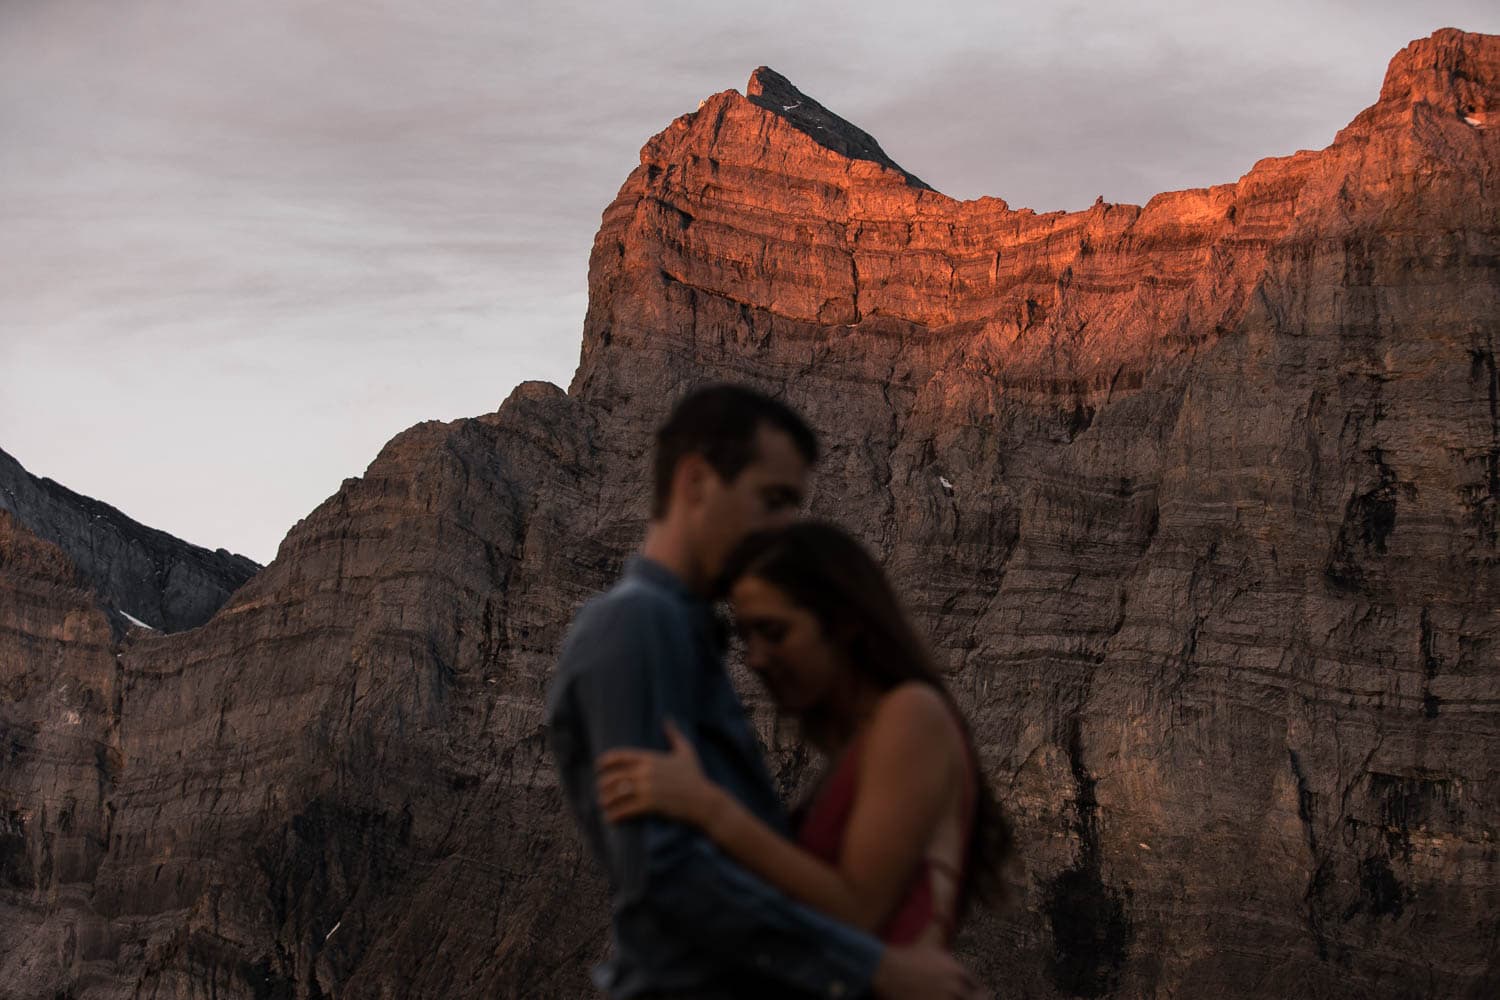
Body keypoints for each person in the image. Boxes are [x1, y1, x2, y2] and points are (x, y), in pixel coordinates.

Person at [546, 384, 985, 1000]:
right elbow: (664, 874)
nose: (784, 529)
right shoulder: (640, 626)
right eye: (773, 501)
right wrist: (872, 967)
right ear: (696, 482)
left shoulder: (686, 635)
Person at [595, 522, 1010, 949]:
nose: (755, 658)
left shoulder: (911, 715)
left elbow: (860, 911)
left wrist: (708, 807)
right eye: (746, 636)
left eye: (774, 632)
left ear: (845, 622)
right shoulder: (865, 742)